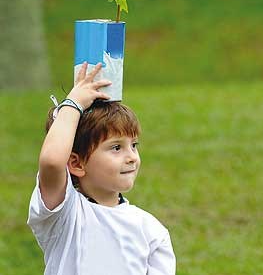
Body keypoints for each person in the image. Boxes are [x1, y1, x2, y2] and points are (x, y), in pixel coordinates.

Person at [27, 62, 176, 275]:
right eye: (116, 147)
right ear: (77, 163)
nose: (131, 157)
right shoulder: (65, 214)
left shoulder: (151, 231)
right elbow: (52, 161)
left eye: (133, 145)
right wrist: (74, 103)